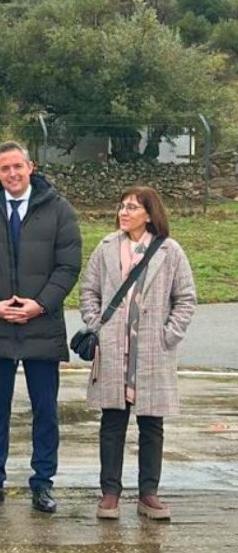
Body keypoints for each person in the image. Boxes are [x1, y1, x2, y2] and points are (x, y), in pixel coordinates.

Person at [0, 141, 81, 513]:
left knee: (45, 408)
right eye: (4, 168)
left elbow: (68, 265)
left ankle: (43, 482)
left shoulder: (59, 211)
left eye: (17, 166)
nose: (12, 174)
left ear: (30, 166)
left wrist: (40, 304)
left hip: (41, 326)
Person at [79, 187, 195, 521]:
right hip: (114, 347)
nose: (124, 212)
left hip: (152, 350)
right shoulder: (105, 248)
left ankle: (149, 493)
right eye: (122, 206)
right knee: (112, 422)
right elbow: (88, 291)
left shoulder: (170, 251)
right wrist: (96, 324)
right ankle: (110, 494)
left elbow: (185, 297)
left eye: (132, 207)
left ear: (149, 213)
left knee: (151, 424)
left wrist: (167, 335)